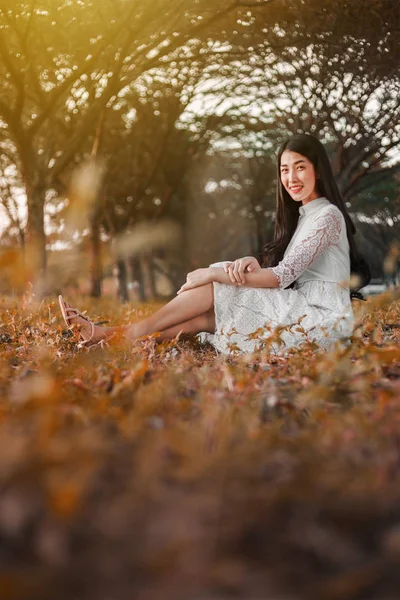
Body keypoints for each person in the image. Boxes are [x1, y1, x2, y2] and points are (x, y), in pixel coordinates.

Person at [59, 133, 370, 355]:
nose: (291, 177)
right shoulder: (306, 216)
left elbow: (283, 277)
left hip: (322, 321)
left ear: (318, 168)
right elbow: (287, 272)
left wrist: (211, 274)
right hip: (305, 310)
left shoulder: (327, 215)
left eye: (300, 167)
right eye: (284, 170)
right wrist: (253, 261)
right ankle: (116, 340)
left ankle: (125, 334)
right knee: (207, 318)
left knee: (217, 279)